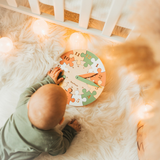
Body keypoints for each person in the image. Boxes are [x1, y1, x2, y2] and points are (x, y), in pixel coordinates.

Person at [0, 67, 81, 160]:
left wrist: (48, 81)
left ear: (28, 103)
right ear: (61, 121)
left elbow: (29, 90)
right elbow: (61, 149)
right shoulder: (51, 139)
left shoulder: (22, 104)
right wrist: (70, 131)